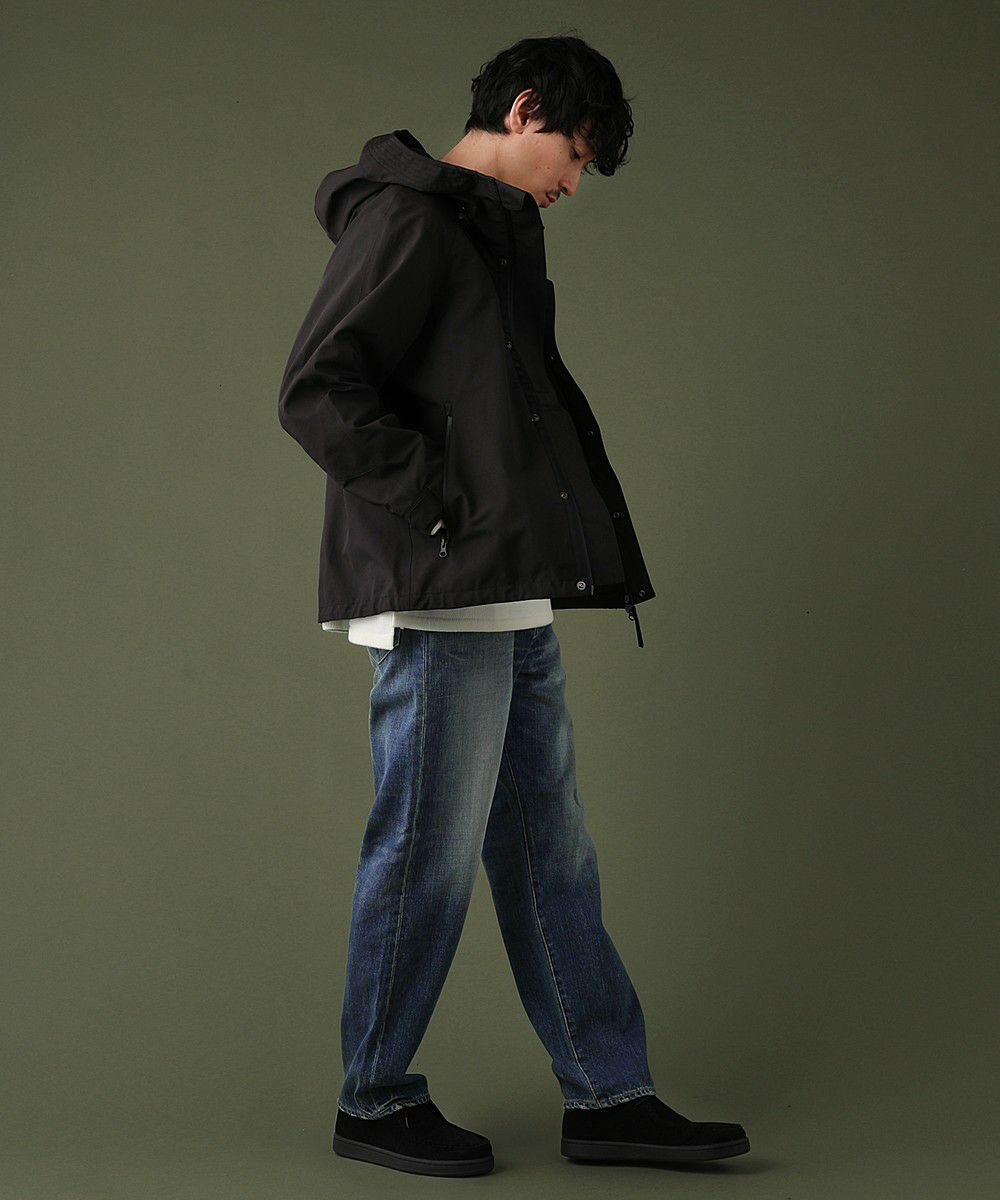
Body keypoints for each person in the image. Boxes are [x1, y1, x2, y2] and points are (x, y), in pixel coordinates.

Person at [277, 33, 750, 1178]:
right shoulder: (409, 221)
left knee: (552, 857)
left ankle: (608, 1094)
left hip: (507, 598)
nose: (573, 184)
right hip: (446, 599)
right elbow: (318, 388)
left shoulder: (487, 237)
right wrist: (442, 513)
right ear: (524, 108)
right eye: (573, 154)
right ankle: (372, 1098)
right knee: (425, 858)